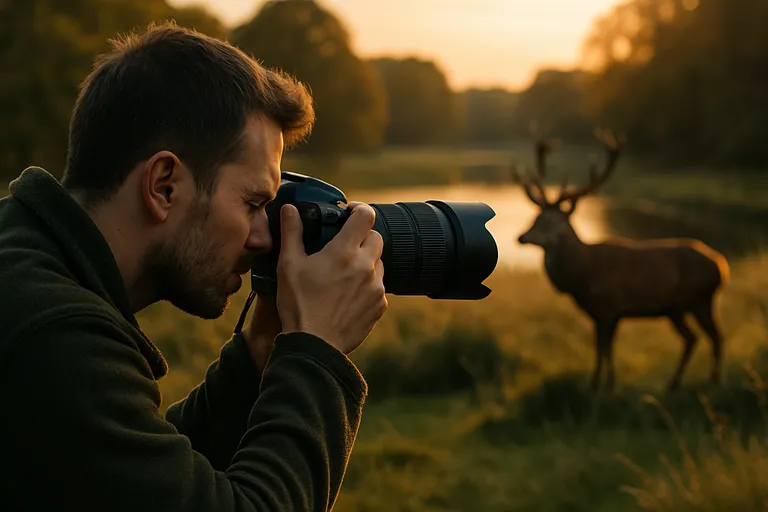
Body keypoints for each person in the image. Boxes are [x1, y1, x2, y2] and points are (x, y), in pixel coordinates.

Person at [0, 22, 388, 511]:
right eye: (252, 203)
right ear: (164, 185)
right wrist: (318, 351)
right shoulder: (52, 333)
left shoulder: (27, 262)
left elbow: (145, 484)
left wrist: (260, 351)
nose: (263, 235)